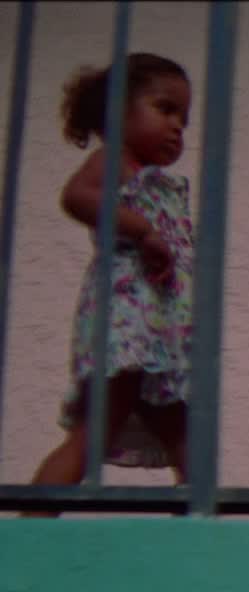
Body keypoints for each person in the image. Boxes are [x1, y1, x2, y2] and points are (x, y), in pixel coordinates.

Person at [25, 53, 197, 516]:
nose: (177, 126)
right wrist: (141, 230)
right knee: (95, 431)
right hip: (127, 327)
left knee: (185, 435)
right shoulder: (114, 161)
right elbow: (76, 197)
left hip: (160, 337)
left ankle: (200, 534)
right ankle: (29, 525)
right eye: (165, 109)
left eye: (184, 119)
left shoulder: (158, 182)